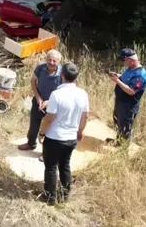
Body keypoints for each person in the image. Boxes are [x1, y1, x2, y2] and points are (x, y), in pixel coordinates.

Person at [38, 62, 89, 204]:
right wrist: (80, 131)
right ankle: (64, 196)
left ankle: (50, 197)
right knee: (65, 166)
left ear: (62, 76)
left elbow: (49, 119)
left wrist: (41, 133)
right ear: (76, 77)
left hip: (55, 137)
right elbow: (85, 116)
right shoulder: (82, 94)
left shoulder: (56, 94)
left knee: (51, 167)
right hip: (71, 138)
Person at [18, 50, 62, 151]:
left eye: (54, 61)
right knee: (34, 124)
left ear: (58, 61)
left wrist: (49, 102)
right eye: (49, 60)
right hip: (38, 101)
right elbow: (33, 81)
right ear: (46, 59)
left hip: (53, 105)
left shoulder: (62, 74)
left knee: (49, 128)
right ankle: (31, 144)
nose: (51, 63)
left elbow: (64, 93)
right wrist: (38, 97)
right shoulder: (40, 68)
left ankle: (46, 152)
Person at [110, 48, 146, 142]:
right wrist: (117, 75)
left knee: (125, 126)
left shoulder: (140, 75)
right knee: (118, 122)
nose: (123, 62)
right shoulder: (130, 69)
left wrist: (117, 81)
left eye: (124, 60)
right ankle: (118, 141)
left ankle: (123, 150)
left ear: (131, 60)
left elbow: (131, 91)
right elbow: (127, 79)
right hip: (120, 102)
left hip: (128, 106)